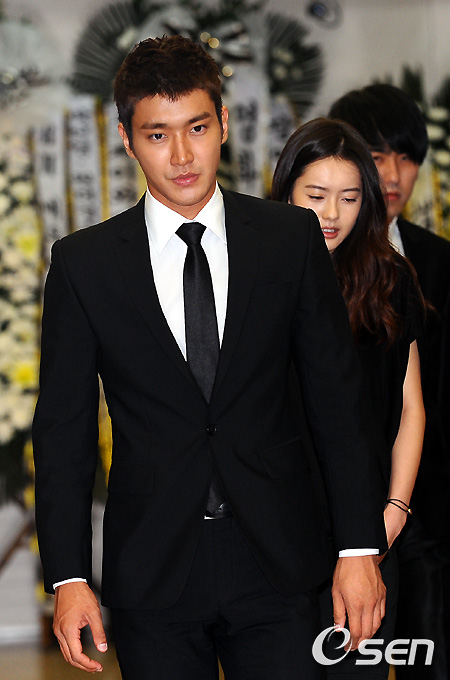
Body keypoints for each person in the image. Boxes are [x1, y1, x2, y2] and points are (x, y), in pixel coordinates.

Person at [32, 36, 387, 680]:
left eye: (196, 128)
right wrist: (68, 577)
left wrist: (359, 546)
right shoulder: (86, 265)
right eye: (157, 134)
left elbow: (338, 402)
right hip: (154, 568)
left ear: (223, 122)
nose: (181, 155)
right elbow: (64, 432)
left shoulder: (289, 240)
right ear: (127, 139)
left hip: (278, 560)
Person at [272, 117, 426, 679]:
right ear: (286, 192)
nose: (332, 214)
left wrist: (392, 513)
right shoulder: (257, 281)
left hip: (369, 534)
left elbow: (411, 409)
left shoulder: (389, 279)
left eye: (349, 197)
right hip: (278, 540)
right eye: (315, 196)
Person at [329, 84, 450, 679]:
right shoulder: (305, 262)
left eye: (407, 157)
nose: (395, 174)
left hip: (428, 516)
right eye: (378, 156)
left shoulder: (440, 263)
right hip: (340, 518)